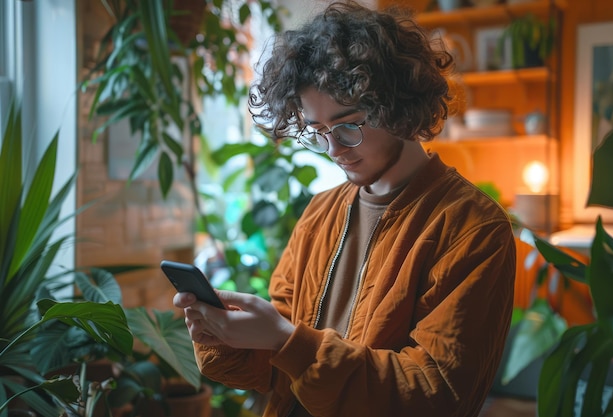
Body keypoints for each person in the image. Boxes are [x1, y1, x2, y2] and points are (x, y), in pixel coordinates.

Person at [173, 2, 516, 416]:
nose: (334, 150)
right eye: (318, 132)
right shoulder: (320, 213)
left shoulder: (472, 229)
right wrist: (224, 333)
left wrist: (287, 342)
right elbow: (273, 373)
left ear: (397, 104)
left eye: (348, 125)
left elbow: (434, 393)